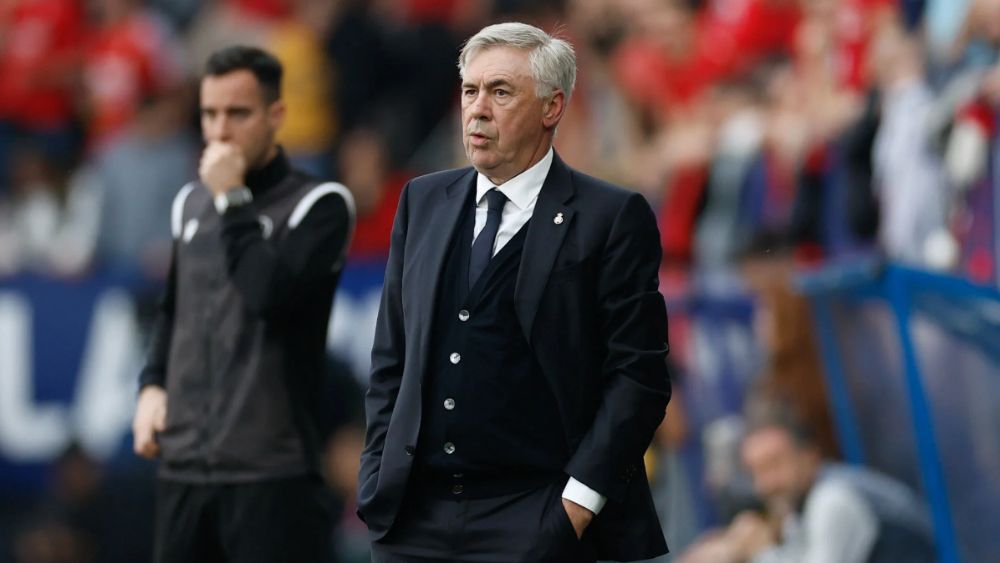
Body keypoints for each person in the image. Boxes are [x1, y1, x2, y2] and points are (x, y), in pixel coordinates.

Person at [358, 22, 672, 562]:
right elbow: (393, 356)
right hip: (415, 520)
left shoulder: (611, 217)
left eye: (500, 92)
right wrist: (377, 473)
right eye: (469, 90)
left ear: (552, 108)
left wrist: (575, 507)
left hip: (537, 516)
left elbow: (638, 377)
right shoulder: (421, 201)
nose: (477, 109)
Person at [130, 45, 355, 563]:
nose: (220, 131)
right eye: (209, 114)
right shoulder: (190, 202)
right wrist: (152, 385)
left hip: (270, 473)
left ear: (275, 116)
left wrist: (232, 199)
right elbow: (173, 309)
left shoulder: (318, 206)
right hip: (183, 469)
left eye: (238, 113)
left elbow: (268, 295)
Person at [679, 411, 936, 563]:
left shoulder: (833, 499)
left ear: (809, 456)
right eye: (756, 471)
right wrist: (732, 548)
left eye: (774, 464)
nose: (766, 483)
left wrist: (759, 551)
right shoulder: (797, 505)